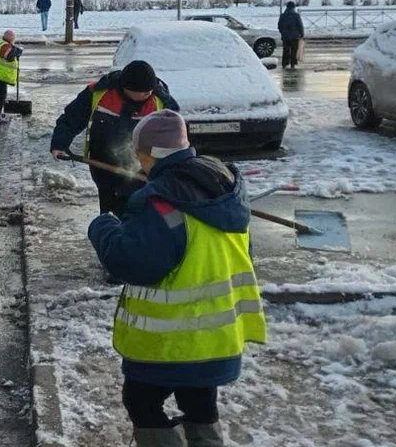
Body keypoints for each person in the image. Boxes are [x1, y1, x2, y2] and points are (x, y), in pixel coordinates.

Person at [88, 110, 266, 447]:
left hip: (170, 342)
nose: (138, 163)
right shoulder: (221, 185)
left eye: (140, 155)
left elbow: (131, 263)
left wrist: (104, 227)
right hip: (217, 338)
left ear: (150, 154)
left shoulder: (162, 205)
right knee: (199, 403)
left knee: (141, 402)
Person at [51, 60, 179, 218]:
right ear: (126, 88)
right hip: (102, 166)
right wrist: (60, 143)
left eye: (150, 91)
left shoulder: (161, 102)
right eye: (144, 92)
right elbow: (71, 119)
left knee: (138, 213)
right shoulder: (99, 94)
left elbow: (174, 138)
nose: (148, 95)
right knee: (110, 213)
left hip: (142, 170)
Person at [278, 1, 304, 69]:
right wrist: (301, 34)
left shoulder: (283, 15)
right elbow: (300, 25)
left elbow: (279, 25)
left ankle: (284, 63)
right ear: (293, 7)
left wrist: (282, 32)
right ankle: (293, 63)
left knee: (285, 50)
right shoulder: (296, 15)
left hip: (285, 37)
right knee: (294, 50)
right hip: (294, 37)